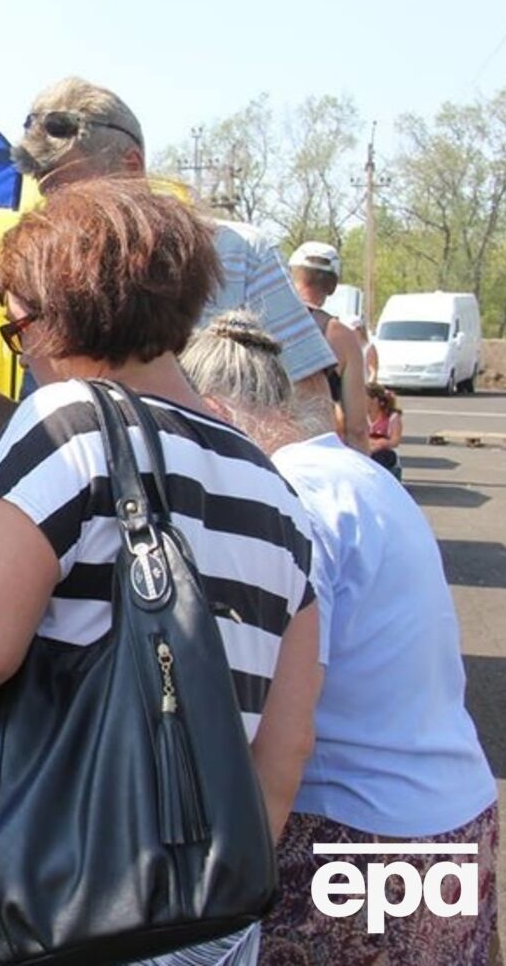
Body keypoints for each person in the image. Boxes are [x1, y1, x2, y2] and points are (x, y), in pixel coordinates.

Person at [0, 180, 322, 966]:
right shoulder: (276, 491)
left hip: (27, 915)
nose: (23, 351)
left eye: (18, 326)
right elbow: (286, 746)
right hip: (199, 926)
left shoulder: (68, 421)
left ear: (64, 312)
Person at [181, 313, 497, 966]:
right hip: (451, 818)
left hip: (363, 842)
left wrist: (221, 892)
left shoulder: (291, 501)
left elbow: (283, 729)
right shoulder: (360, 476)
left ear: (215, 413)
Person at [0, 76, 337, 437]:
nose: (61, 215)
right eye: (50, 198)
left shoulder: (239, 254)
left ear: (132, 165)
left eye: (75, 193)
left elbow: (313, 408)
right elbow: (62, 440)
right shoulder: (54, 283)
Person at [286, 241, 368, 452]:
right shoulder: (341, 336)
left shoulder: (260, 321)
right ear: (332, 285)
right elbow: (357, 428)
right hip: (316, 452)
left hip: (262, 453)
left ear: (290, 275)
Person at [366, 381, 404, 476]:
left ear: (375, 400)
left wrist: (380, 443)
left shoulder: (392, 417)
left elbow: (395, 441)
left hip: (385, 454)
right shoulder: (360, 416)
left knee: (379, 457)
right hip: (366, 450)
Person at [339, 310, 379, 383]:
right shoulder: (347, 347)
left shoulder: (368, 348)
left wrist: (369, 385)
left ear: (358, 329)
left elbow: (373, 371)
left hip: (363, 385)